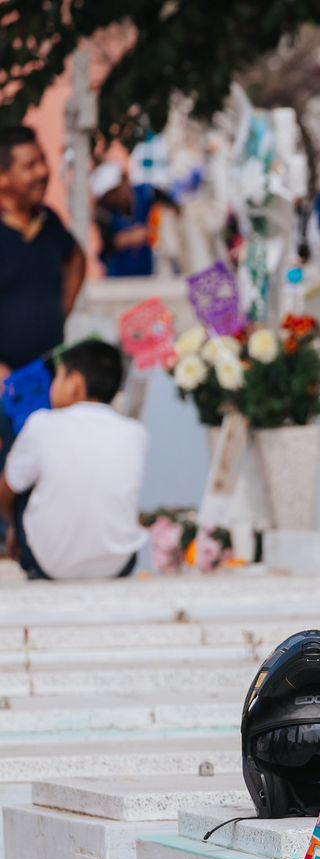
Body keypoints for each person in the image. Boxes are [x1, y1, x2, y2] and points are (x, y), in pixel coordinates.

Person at [0, 339, 148, 580]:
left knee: (19, 481)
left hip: (49, 565)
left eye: (57, 378)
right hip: (119, 564)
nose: (51, 388)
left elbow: (6, 491)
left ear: (75, 384)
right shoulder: (135, 432)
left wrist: (13, 528)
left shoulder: (42, 424)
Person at [0, 126, 86, 386]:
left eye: (42, 161)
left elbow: (76, 258)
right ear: (3, 176)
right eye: (29, 166)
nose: (43, 172)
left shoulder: (50, 222)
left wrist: (62, 308)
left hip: (47, 376)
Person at [92, 161, 168, 278]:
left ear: (124, 180)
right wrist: (127, 239)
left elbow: (172, 209)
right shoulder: (106, 214)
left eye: (115, 192)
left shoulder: (147, 193)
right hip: (120, 280)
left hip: (151, 275)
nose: (114, 199)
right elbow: (106, 246)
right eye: (108, 196)